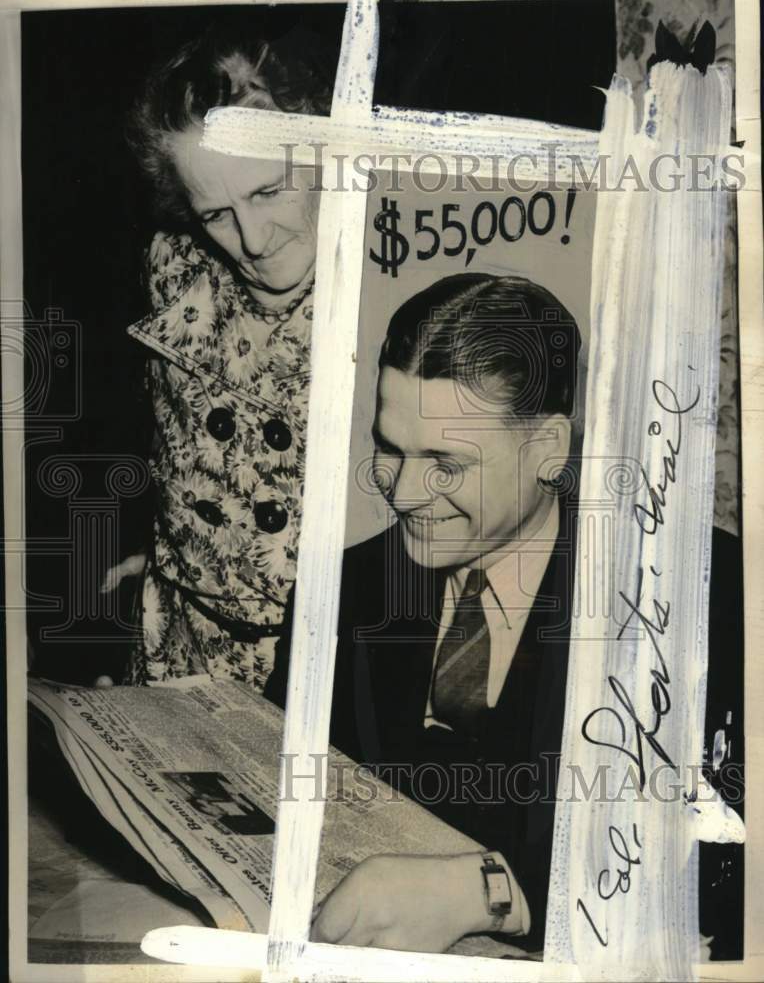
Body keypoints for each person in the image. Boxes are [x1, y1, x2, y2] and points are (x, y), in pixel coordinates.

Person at [267, 272, 743, 955]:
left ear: (550, 450)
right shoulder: (343, 587)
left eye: (447, 464)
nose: (403, 493)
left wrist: (498, 894)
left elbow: (722, 860)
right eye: (392, 449)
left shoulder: (702, 593)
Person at [103, 21, 335, 688]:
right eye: (216, 213)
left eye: (268, 191)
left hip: (300, 672)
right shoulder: (171, 266)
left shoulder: (383, 298)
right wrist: (163, 552)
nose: (254, 239)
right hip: (172, 644)